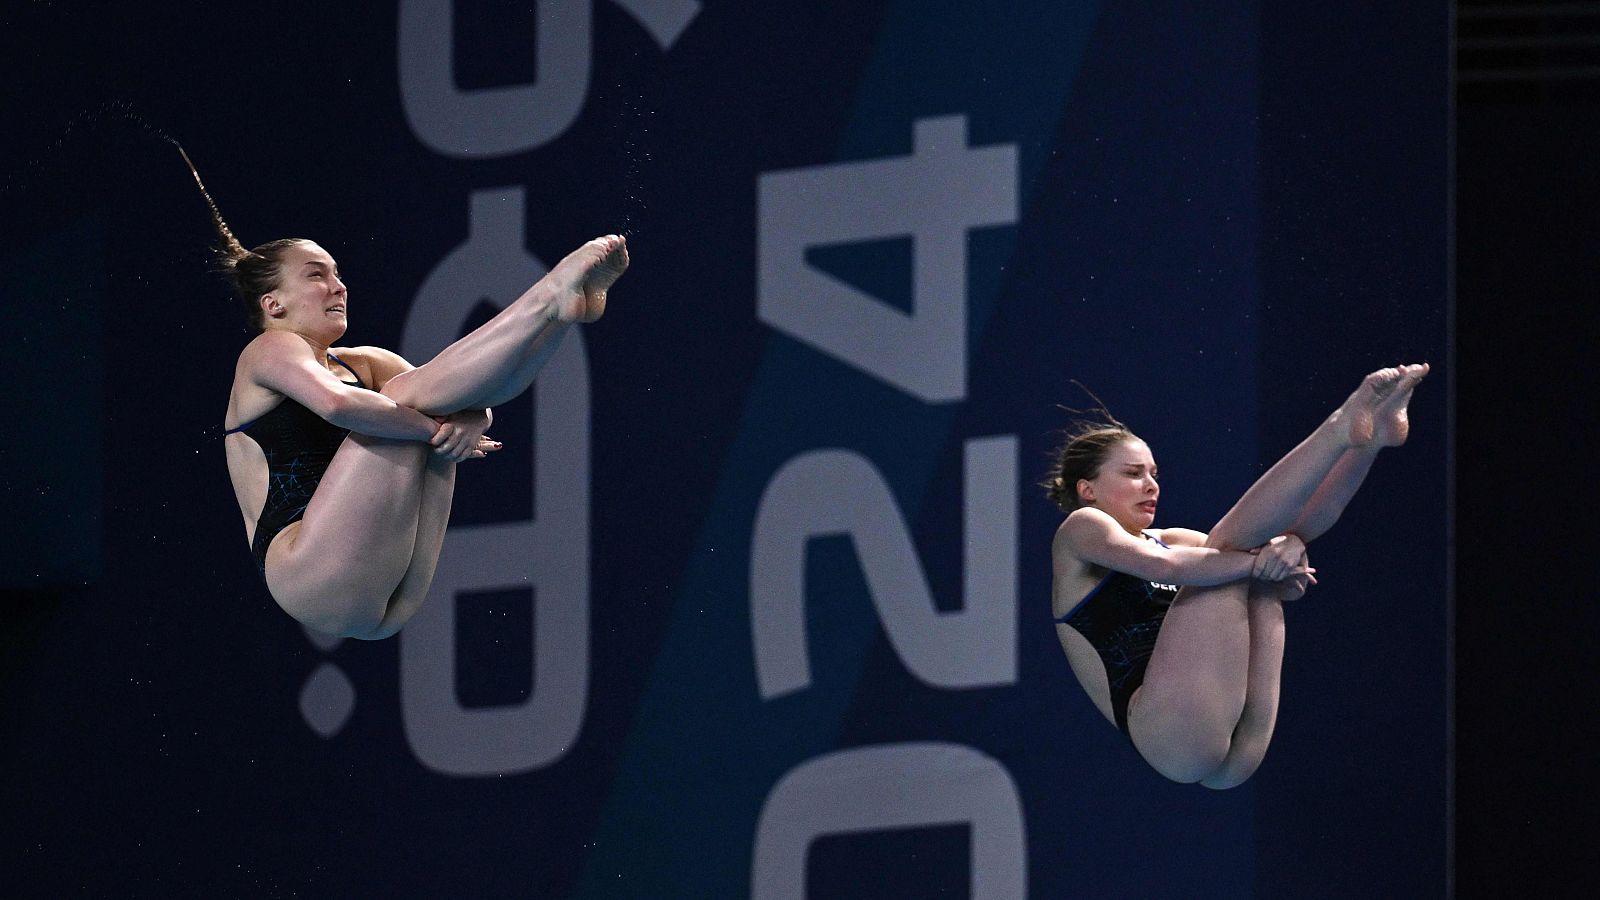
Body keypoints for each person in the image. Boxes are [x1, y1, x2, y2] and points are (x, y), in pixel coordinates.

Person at [184, 149, 628, 640]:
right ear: (274, 303)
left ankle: (561, 316)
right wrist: (435, 429)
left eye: (337, 273)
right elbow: (339, 405)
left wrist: (471, 420)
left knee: (412, 395)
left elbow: (468, 394)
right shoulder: (267, 351)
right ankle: (545, 297)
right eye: (316, 275)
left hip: (389, 594)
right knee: (395, 400)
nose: (339, 286)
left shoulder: (363, 362)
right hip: (305, 570)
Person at [1046, 364, 1428, 788]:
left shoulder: (1172, 538)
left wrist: (1284, 560)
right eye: (1133, 474)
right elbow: (1166, 567)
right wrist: (1259, 563)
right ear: (1088, 489)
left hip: (1233, 743)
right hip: (1168, 733)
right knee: (1229, 551)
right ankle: (1340, 428)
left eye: (1154, 474)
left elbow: (1280, 577)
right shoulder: (1081, 529)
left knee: (1254, 554)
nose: (1151, 486)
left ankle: (1368, 443)